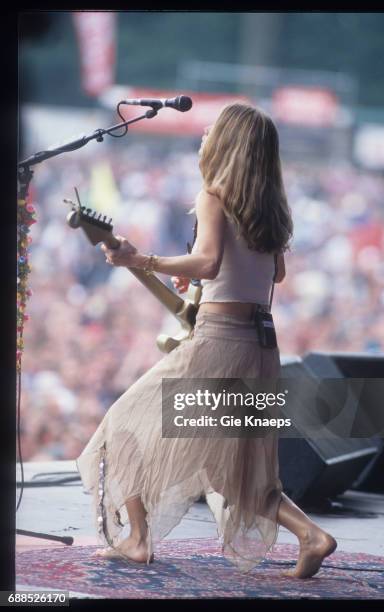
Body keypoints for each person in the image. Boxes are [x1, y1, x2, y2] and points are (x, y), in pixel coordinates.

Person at [76, 103, 337, 578]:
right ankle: (312, 536)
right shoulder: (272, 210)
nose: (204, 133)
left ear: (228, 143)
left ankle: (137, 539)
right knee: (233, 467)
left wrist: (145, 260)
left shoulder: (213, 195)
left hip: (219, 342)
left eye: (212, 129)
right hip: (260, 346)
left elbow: (210, 263)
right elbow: (269, 272)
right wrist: (201, 280)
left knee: (120, 425)